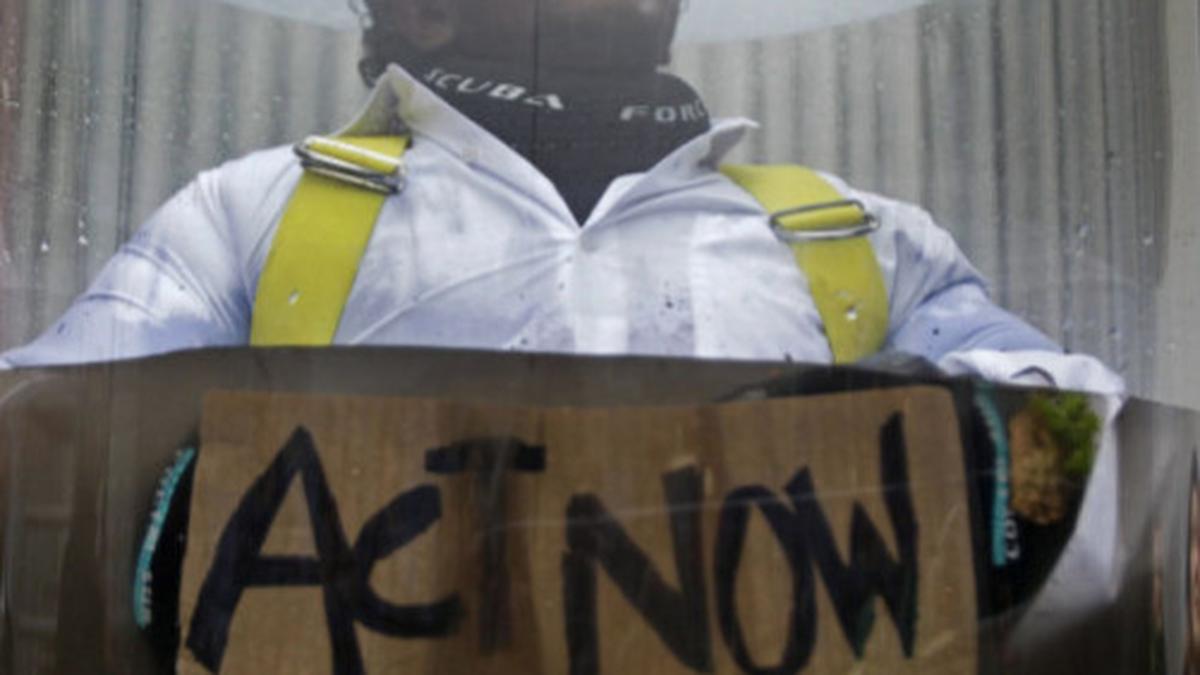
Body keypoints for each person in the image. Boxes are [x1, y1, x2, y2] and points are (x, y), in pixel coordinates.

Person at [0, 0, 1123, 396]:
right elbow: (40, 434)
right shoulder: (253, 213)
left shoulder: (864, 239)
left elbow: (1095, 439)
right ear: (423, 8)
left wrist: (944, 420)